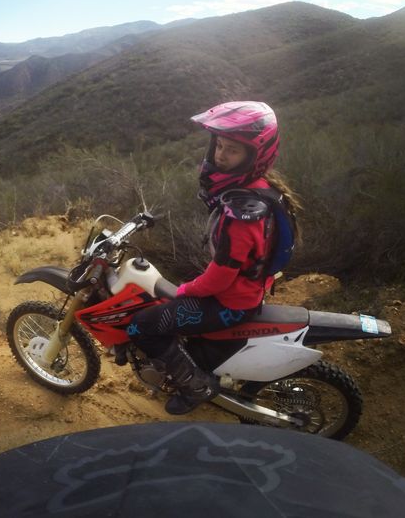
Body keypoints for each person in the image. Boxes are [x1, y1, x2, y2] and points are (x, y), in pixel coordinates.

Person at [126, 101, 300, 415]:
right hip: (247, 291)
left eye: (232, 150)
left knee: (140, 326)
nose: (220, 155)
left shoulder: (242, 215)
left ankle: (196, 386)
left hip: (231, 303)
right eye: (219, 145)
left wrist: (185, 290)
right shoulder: (262, 189)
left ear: (255, 155)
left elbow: (220, 277)